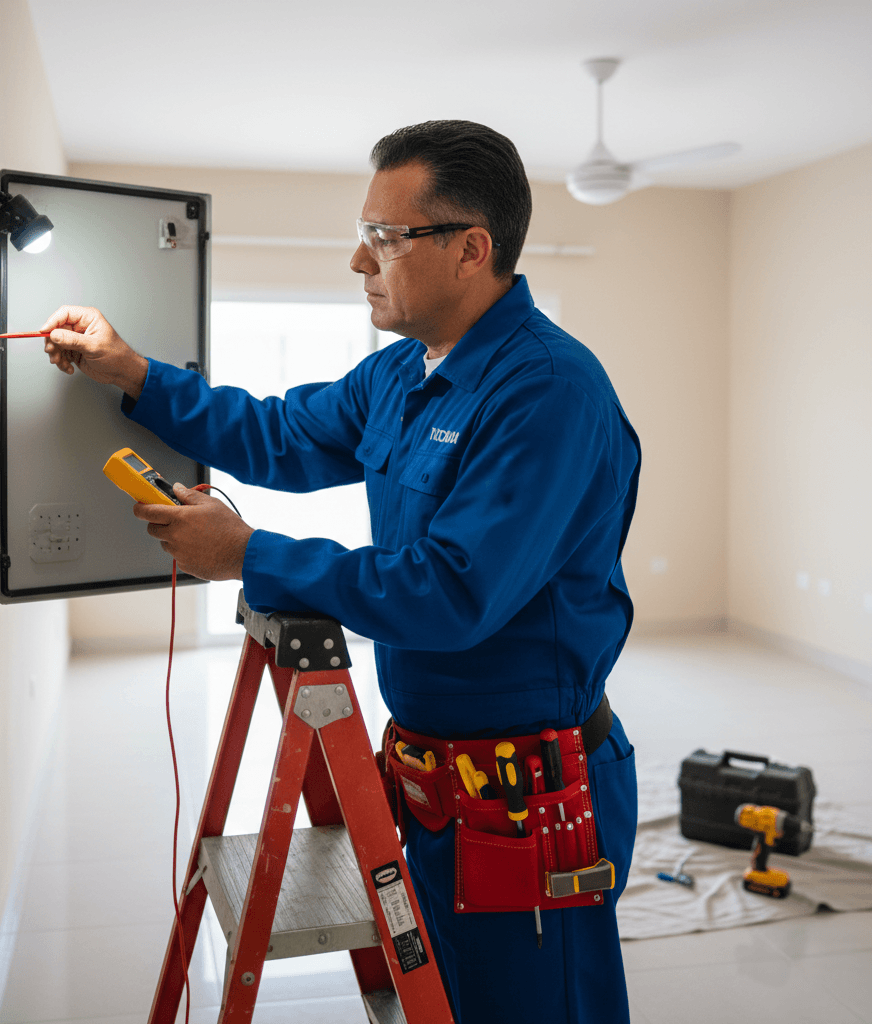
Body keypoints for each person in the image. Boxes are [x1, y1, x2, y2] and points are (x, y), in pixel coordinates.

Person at [41, 120, 641, 1024]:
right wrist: (133, 373)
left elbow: (450, 595)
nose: (359, 263)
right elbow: (278, 434)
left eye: (383, 239)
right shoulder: (402, 374)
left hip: (528, 800)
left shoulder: (548, 391)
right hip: (433, 781)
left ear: (470, 249)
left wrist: (247, 555)